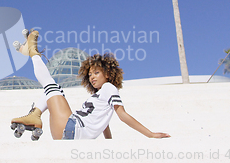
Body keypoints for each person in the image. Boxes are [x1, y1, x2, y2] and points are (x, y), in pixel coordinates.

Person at [11, 29, 171, 140]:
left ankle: (32, 52)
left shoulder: (109, 88)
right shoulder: (101, 95)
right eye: (90, 74)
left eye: (96, 73)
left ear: (107, 74)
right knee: (55, 89)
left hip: (70, 129)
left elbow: (122, 115)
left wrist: (150, 134)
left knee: (50, 85)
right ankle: (35, 115)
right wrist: (109, 143)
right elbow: (104, 124)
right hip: (67, 131)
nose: (92, 77)